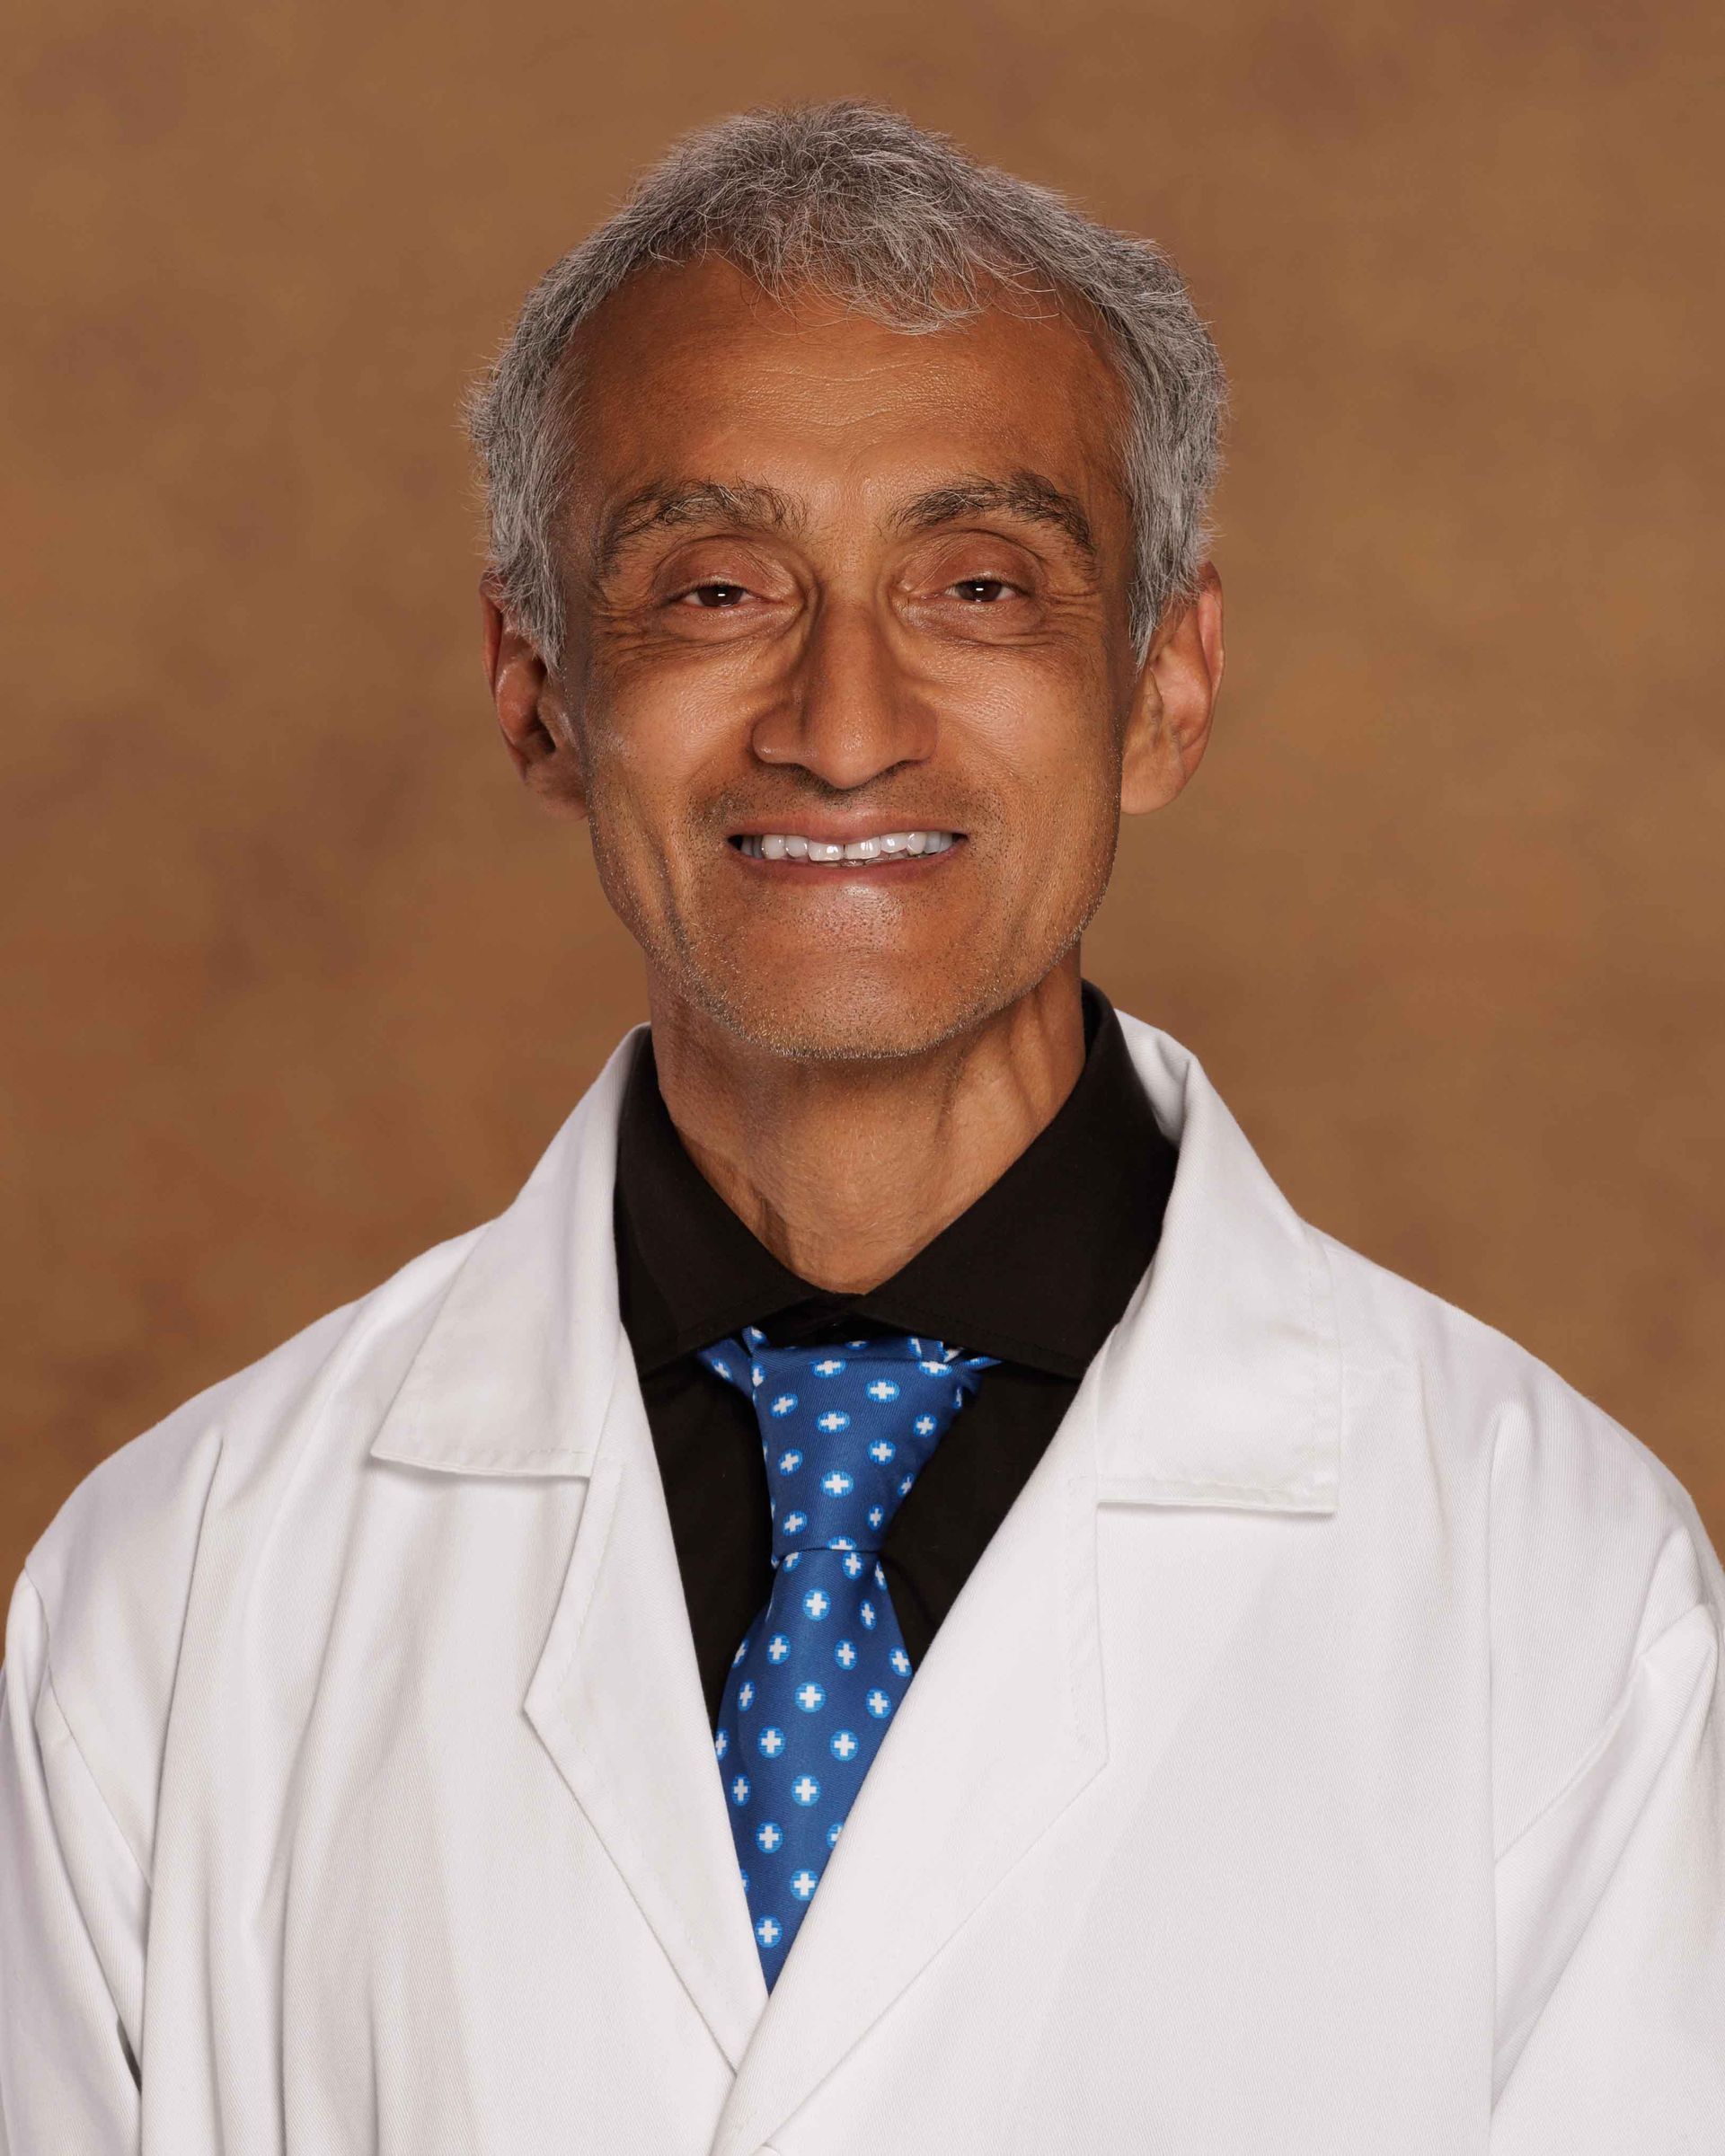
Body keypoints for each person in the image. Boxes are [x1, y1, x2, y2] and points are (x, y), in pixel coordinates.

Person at [2, 97, 1721, 2153]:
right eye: (716, 591)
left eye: (980, 588)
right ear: (536, 689)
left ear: (1165, 689)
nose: (841, 725)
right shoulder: (176, 1593)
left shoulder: (1561, 1591)